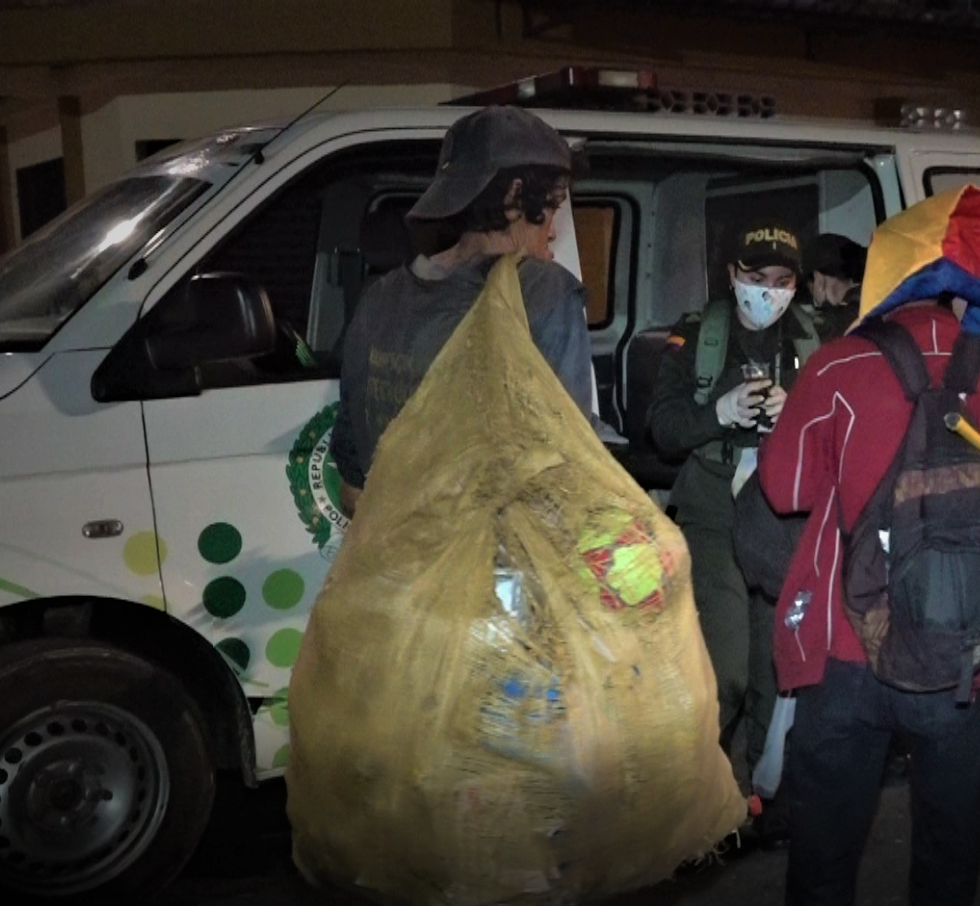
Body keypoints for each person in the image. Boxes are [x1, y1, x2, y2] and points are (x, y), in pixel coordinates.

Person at [759, 186, 980, 906]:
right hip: (954, 658)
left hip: (846, 650)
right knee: (948, 851)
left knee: (825, 853)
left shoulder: (835, 366)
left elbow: (786, 488)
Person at [331, 105, 596, 512]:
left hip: (397, 563)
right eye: (553, 206)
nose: (554, 230)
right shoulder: (543, 293)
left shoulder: (379, 298)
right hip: (493, 568)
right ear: (514, 196)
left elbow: (352, 482)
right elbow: (565, 470)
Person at [645, 218, 819, 799]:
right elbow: (665, 430)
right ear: (732, 275)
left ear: (797, 283)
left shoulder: (812, 342)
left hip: (783, 514)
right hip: (715, 507)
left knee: (777, 671)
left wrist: (791, 414)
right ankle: (694, 799)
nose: (766, 290)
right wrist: (718, 413)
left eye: (780, 279)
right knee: (728, 673)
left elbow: (838, 431)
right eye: (754, 276)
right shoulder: (698, 336)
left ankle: (765, 797)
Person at [801, 232, 865, 340]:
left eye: (811, 289)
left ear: (819, 281)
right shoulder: (878, 301)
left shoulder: (834, 328)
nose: (814, 296)